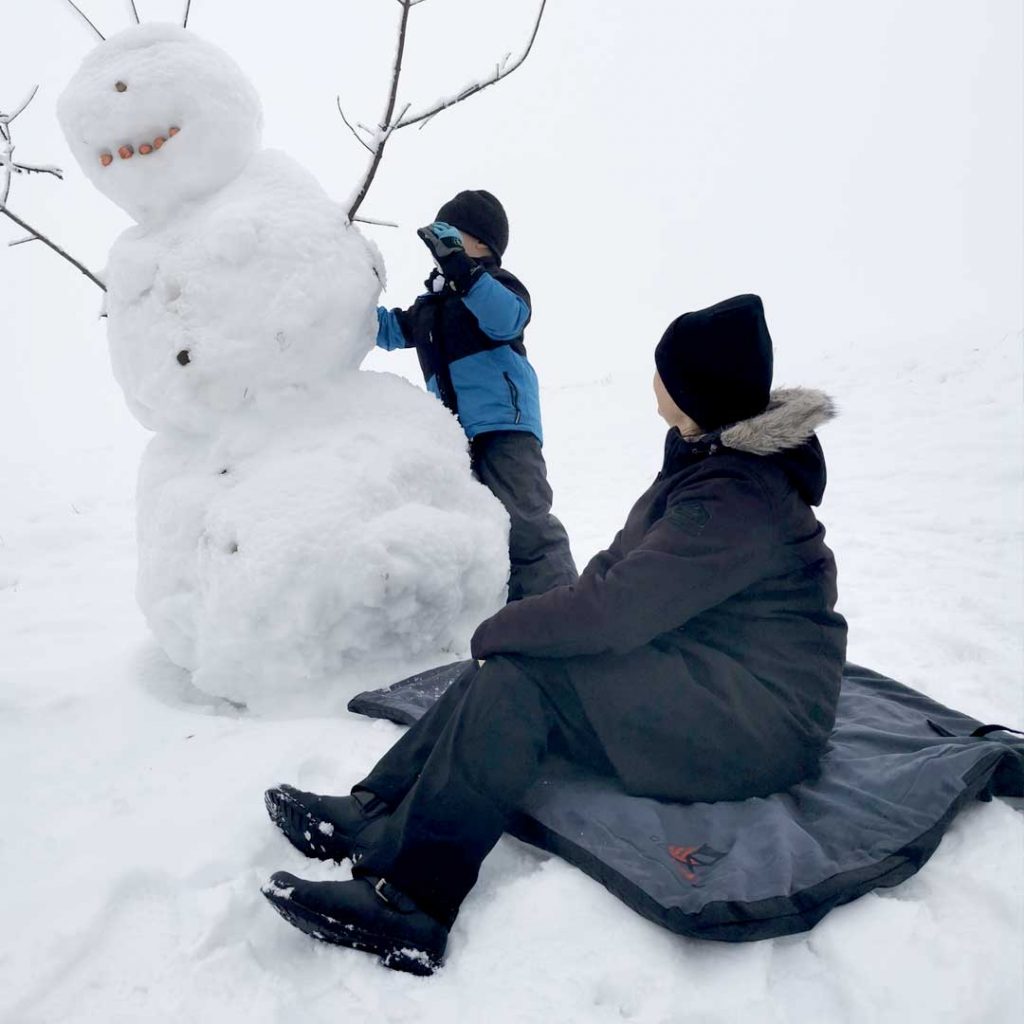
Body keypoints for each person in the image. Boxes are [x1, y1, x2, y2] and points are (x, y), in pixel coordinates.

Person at [262, 294, 848, 975]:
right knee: (514, 661)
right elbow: (619, 573)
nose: (654, 381)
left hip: (758, 720)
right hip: (709, 673)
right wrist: (530, 626)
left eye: (665, 371)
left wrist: (500, 628)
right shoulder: (706, 460)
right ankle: (370, 812)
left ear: (692, 390)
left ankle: (410, 904)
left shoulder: (737, 496)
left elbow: (617, 610)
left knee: (520, 676)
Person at [374, 189, 577, 601]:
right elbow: (392, 330)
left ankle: (562, 609)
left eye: (451, 232)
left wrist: (463, 273)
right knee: (475, 525)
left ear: (482, 243)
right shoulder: (433, 302)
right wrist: (344, 303)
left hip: (504, 424)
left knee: (524, 523)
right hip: (452, 433)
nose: (439, 242)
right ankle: (500, 616)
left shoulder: (494, 285)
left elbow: (507, 320)